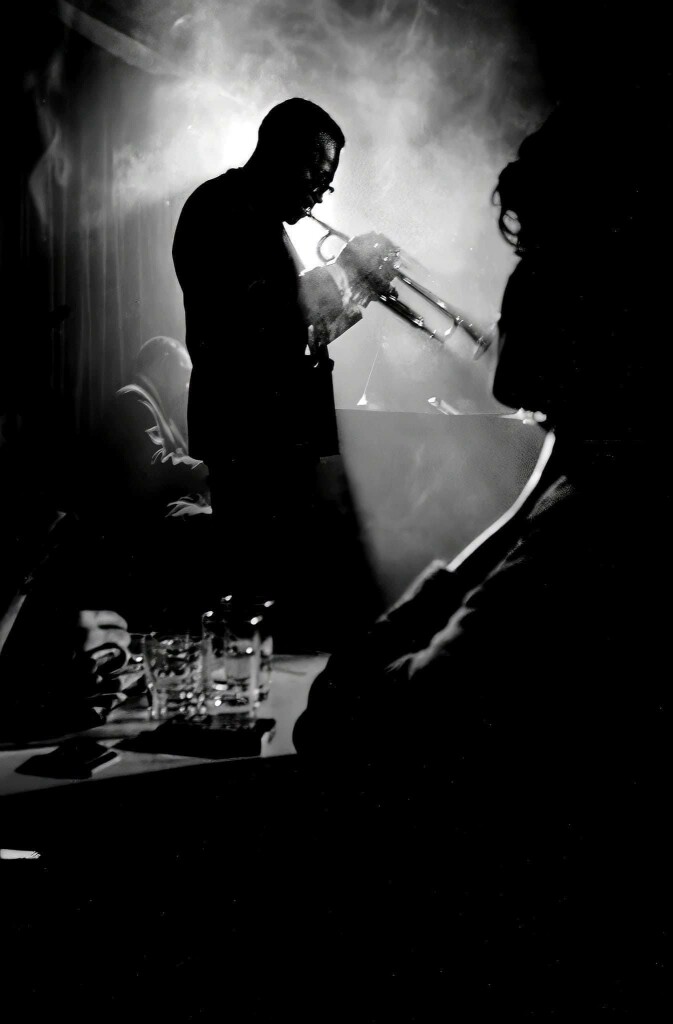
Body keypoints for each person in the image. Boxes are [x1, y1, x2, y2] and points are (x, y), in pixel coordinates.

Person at [292, 95, 669, 1014]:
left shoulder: (600, 524)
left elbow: (361, 727)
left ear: (603, 287)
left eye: (535, 256)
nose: (514, 292)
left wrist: (555, 470)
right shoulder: (597, 488)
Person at [172, 97, 397, 596]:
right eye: (316, 173)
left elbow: (291, 339)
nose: (320, 192)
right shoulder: (221, 207)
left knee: (277, 586)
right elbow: (252, 320)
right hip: (248, 432)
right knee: (252, 581)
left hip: (277, 433)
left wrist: (357, 292)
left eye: (327, 179)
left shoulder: (265, 223)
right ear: (279, 154)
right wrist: (345, 271)